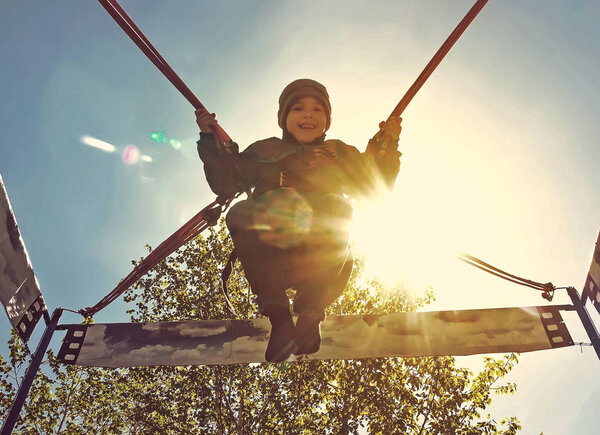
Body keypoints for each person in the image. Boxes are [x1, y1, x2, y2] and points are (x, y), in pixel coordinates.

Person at [196, 79, 402, 362]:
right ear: (284, 118)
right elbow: (227, 182)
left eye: (317, 110)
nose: (308, 115)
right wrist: (210, 138)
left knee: (338, 208)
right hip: (271, 253)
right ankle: (279, 315)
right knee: (240, 212)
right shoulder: (265, 151)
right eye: (298, 109)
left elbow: (373, 187)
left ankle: (309, 315)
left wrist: (386, 147)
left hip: (320, 261)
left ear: (327, 119)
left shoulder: (339, 152)